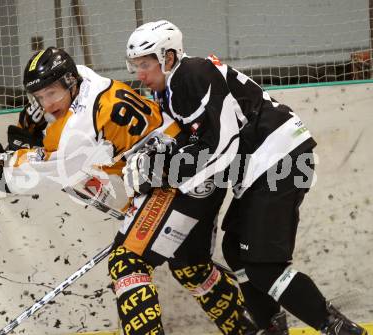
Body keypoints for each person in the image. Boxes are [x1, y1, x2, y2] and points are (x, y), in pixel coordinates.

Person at [0, 47, 256, 335]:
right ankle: (252, 328)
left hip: (177, 182)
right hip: (194, 175)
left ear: (68, 82)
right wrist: (28, 129)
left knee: (127, 262)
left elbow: (41, 172)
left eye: (51, 93)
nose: (47, 103)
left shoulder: (81, 129)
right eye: (40, 97)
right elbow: (44, 116)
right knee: (191, 265)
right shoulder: (84, 78)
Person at [124, 19, 368, 335]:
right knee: (237, 250)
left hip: (279, 157)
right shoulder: (171, 88)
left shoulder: (192, 75)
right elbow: (190, 144)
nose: (140, 74)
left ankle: (341, 330)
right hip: (261, 164)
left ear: (168, 57)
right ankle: (271, 328)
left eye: (145, 64)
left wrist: (166, 174)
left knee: (264, 267)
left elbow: (220, 148)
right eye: (135, 65)